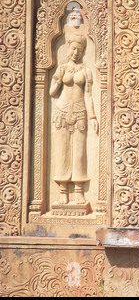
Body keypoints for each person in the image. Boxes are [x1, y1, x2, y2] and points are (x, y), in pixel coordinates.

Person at [49, 33, 98, 205]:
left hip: (79, 113)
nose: (76, 52)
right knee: (62, 151)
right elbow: (52, 92)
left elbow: (88, 95)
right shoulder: (61, 68)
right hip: (61, 112)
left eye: (80, 49)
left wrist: (92, 116)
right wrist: (57, 78)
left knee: (79, 153)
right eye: (73, 48)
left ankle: (78, 191)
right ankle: (63, 191)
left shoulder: (86, 70)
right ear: (68, 48)